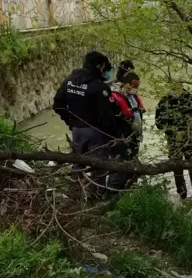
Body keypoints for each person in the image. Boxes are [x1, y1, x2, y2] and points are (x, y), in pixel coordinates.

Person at [53, 51, 118, 198]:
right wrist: (113, 135)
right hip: (96, 132)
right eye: (105, 68)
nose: (106, 71)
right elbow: (106, 116)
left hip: (77, 131)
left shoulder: (69, 81)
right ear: (99, 67)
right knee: (99, 167)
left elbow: (58, 104)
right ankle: (96, 199)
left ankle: (74, 195)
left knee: (78, 164)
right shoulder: (99, 87)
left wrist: (71, 121)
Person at [155, 81, 192, 198]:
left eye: (178, 85)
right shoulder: (164, 101)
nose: (176, 88)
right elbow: (158, 122)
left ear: (182, 85)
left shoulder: (190, 98)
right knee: (177, 166)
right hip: (173, 139)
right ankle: (182, 194)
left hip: (189, 137)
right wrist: (171, 131)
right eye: (174, 85)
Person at [107, 72, 146, 191]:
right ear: (125, 84)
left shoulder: (132, 95)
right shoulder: (113, 97)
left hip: (134, 135)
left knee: (133, 160)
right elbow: (110, 118)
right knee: (120, 163)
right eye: (133, 86)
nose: (135, 89)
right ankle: (113, 190)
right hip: (121, 136)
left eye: (137, 87)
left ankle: (130, 187)